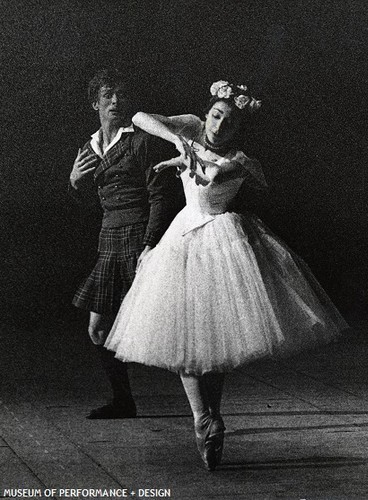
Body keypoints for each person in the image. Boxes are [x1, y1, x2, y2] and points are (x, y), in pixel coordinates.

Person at [104, 80, 348, 468]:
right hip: (182, 239)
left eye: (228, 122)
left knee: (213, 347)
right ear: (207, 114)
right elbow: (138, 117)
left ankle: (210, 418)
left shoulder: (242, 159)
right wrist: (178, 141)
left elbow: (215, 177)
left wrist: (192, 159)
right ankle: (203, 417)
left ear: (238, 129)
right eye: (216, 116)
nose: (219, 126)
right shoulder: (191, 126)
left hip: (222, 241)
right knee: (181, 343)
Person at [69, 68, 182, 419]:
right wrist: (75, 182)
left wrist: (149, 244)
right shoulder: (88, 147)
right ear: (95, 103)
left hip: (138, 239)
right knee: (98, 327)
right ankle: (123, 401)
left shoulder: (141, 141)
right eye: (107, 95)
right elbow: (90, 206)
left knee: (168, 329)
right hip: (109, 242)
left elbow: (159, 197)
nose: (115, 101)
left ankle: (202, 402)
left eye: (121, 95)